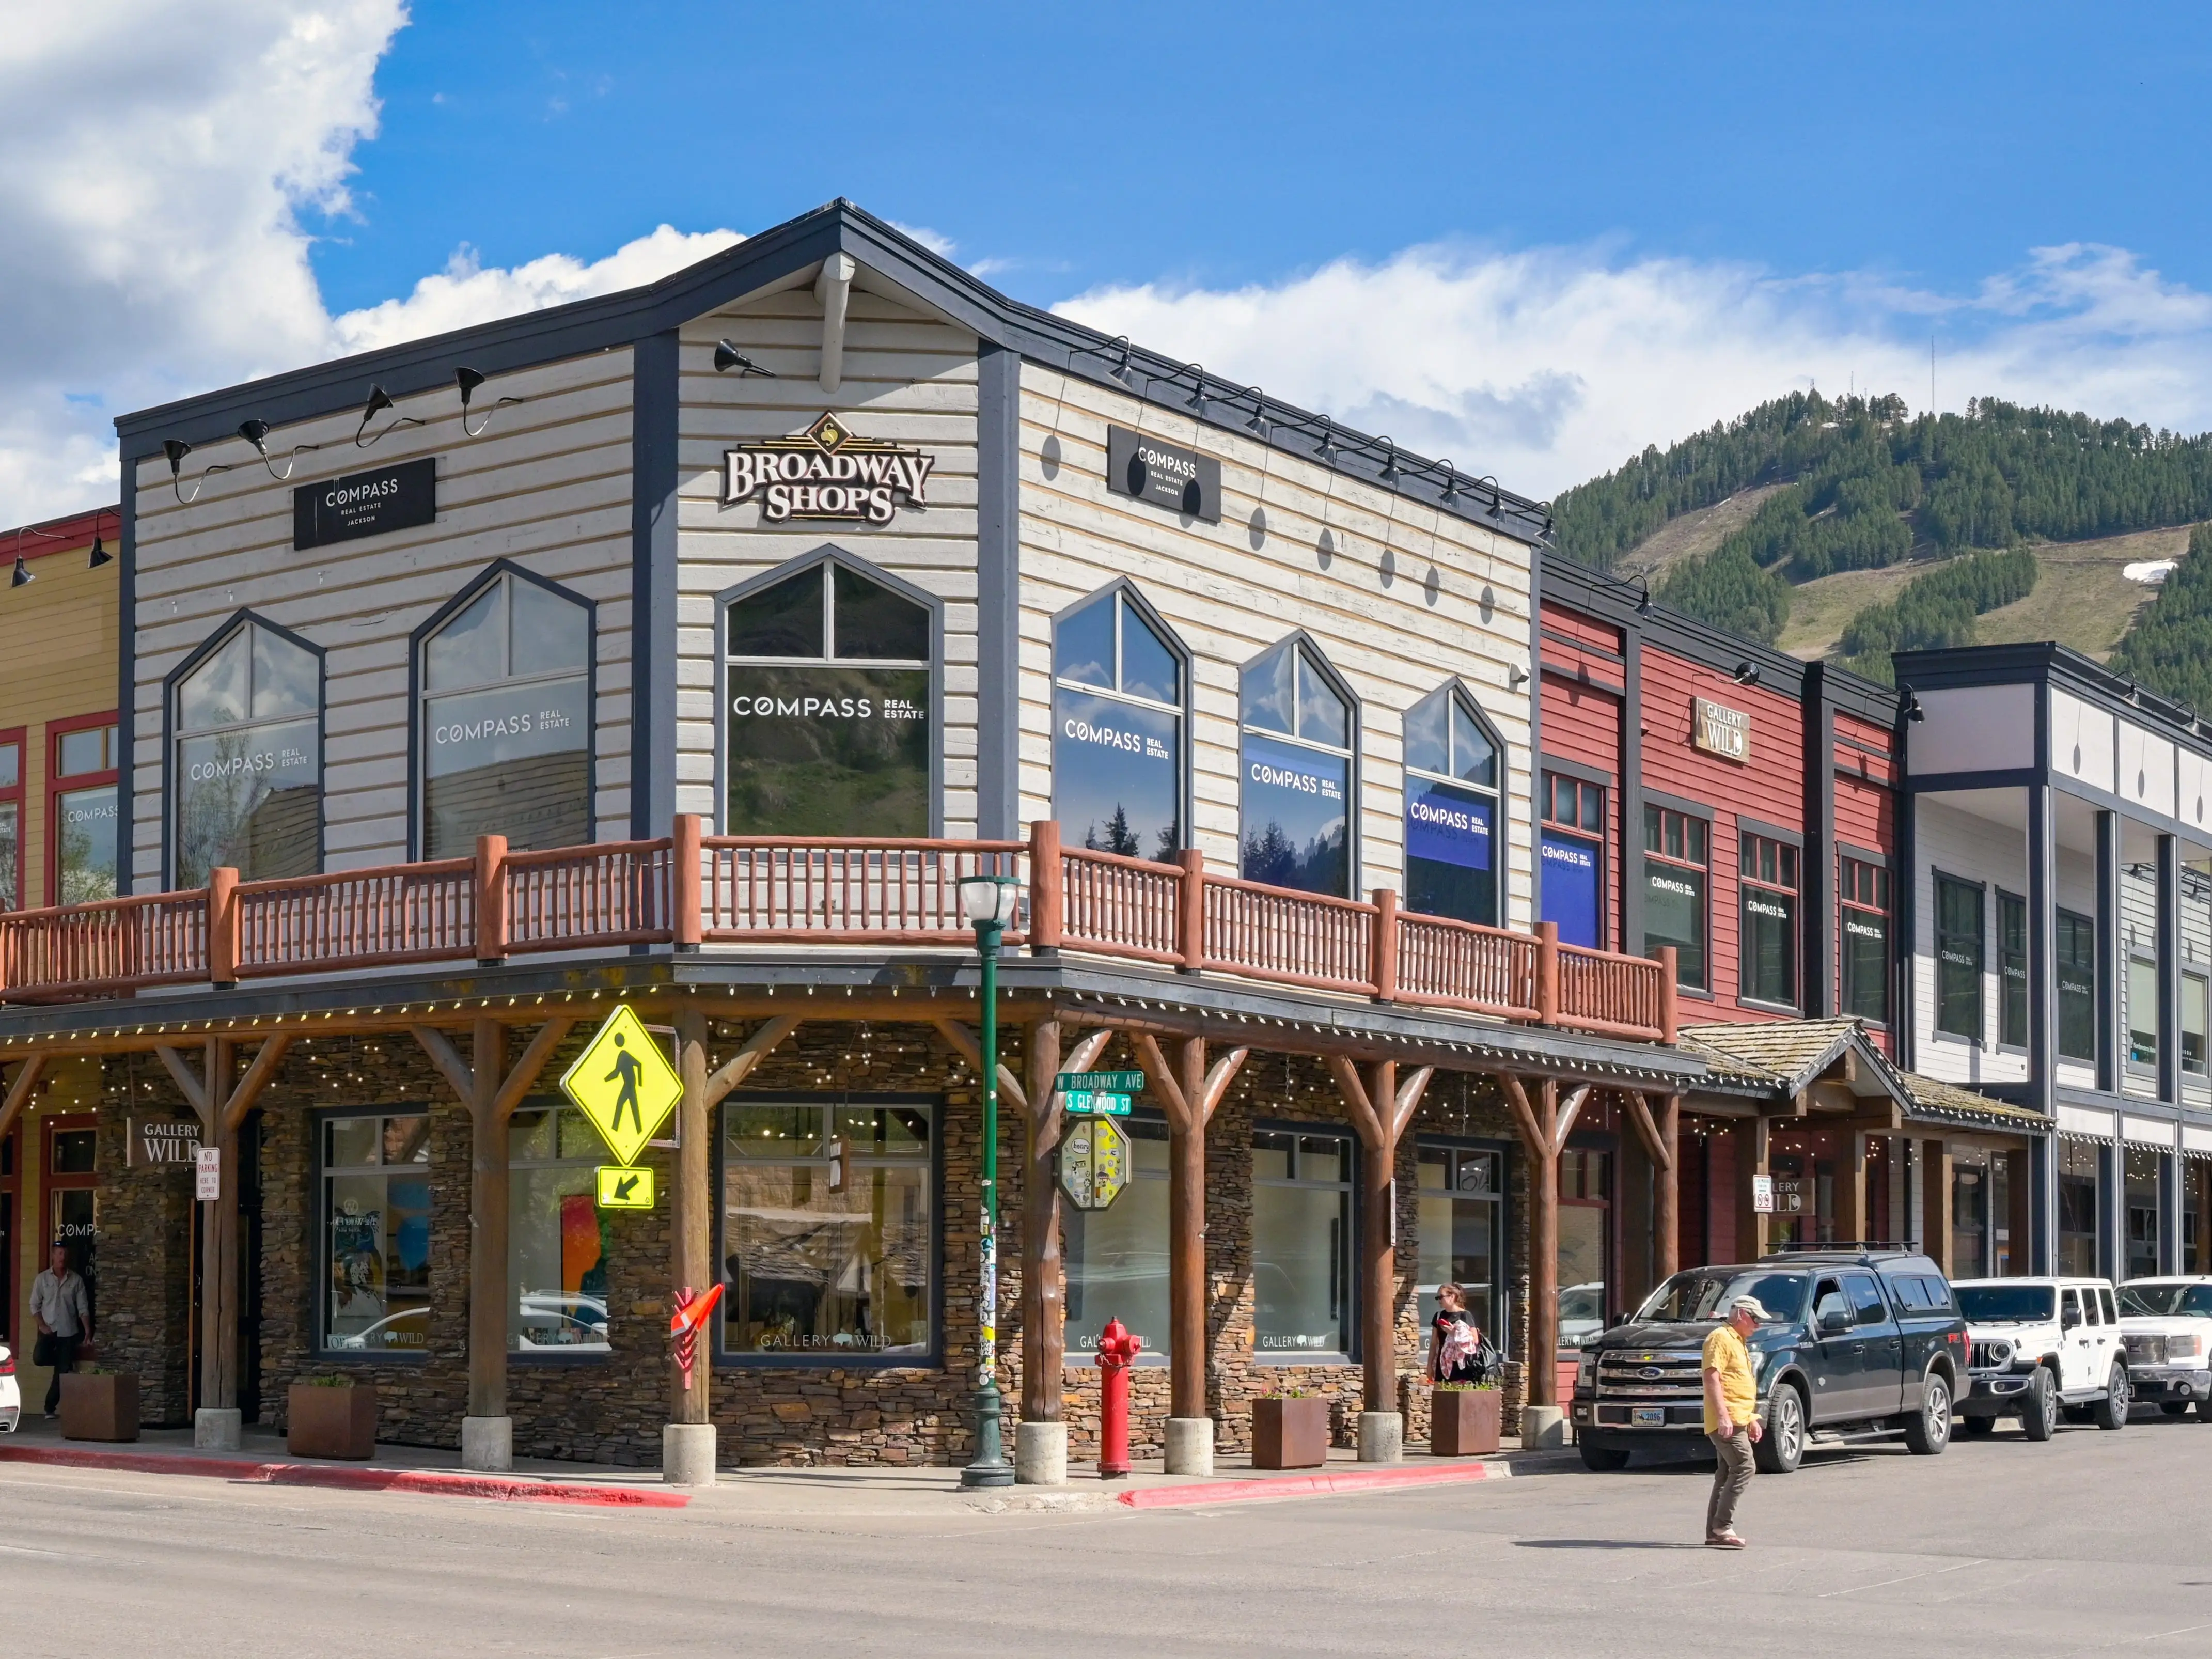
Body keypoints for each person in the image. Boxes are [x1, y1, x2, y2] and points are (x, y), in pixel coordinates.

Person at [1702, 1293, 1766, 1548]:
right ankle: (1723, 1526)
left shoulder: (1737, 1340)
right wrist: (1723, 1416)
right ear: (1741, 1314)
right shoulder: (1720, 1338)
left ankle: (1714, 1531)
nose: (1758, 1324)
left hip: (1738, 1417)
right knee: (1744, 1466)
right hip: (1726, 1420)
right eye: (1755, 1318)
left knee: (1727, 1472)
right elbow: (1712, 1378)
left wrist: (1750, 1418)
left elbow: (1738, 1384)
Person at [30, 1242, 92, 1420]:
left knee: (61, 1373)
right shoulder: (42, 1279)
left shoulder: (76, 1280)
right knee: (39, 1358)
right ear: (53, 1255)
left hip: (68, 1331)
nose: (62, 1257)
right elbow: (34, 1305)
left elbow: (83, 1308)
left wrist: (88, 1330)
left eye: (64, 1253)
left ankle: (49, 1408)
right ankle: (64, 1363)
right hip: (49, 1330)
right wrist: (41, 1325)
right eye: (59, 1254)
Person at [1430, 1281, 1486, 1384]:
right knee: (1440, 1396)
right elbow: (1434, 1344)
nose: (1439, 1300)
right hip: (1443, 1362)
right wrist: (1429, 1366)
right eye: (1438, 1298)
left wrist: (1455, 1334)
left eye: (1441, 1297)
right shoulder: (1438, 1316)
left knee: (1458, 1397)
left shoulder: (1465, 1315)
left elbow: (1475, 1340)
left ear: (1452, 1297)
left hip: (1461, 1363)